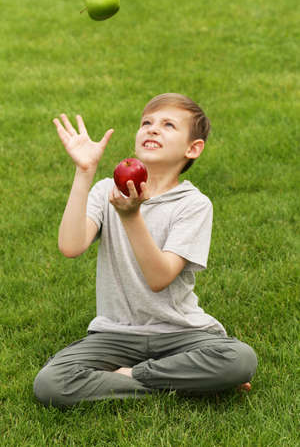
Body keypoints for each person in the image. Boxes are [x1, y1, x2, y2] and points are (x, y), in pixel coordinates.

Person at [34, 93, 257, 407]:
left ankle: (126, 377)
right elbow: (70, 246)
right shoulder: (105, 190)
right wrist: (84, 173)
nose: (153, 129)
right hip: (115, 335)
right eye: (147, 123)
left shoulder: (194, 205)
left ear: (193, 148)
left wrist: (130, 216)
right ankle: (181, 380)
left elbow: (159, 277)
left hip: (180, 332)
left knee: (239, 359)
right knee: (51, 383)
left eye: (168, 125)